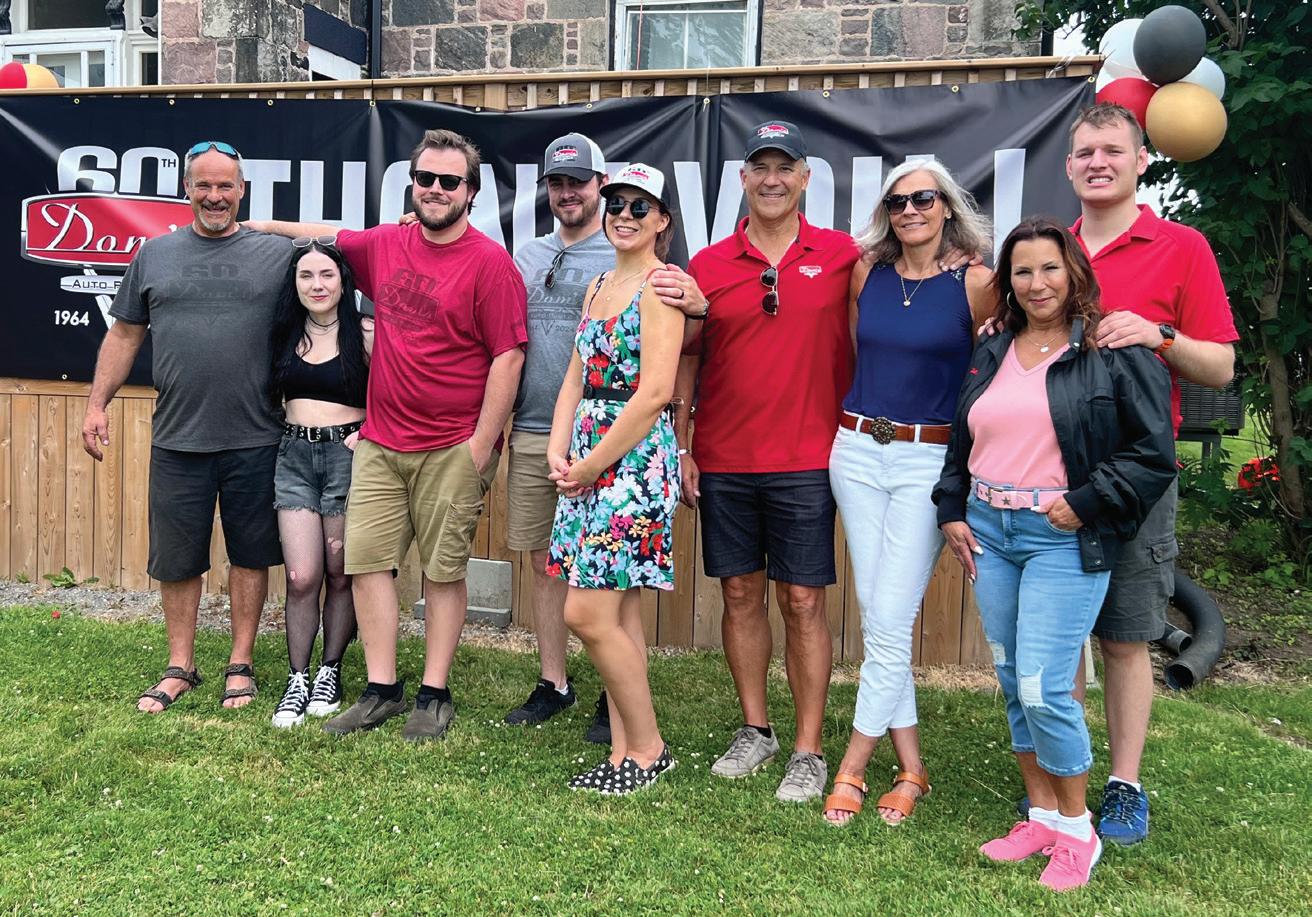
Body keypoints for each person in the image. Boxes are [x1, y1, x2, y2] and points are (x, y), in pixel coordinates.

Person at [247, 129, 528, 742]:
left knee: (442, 572)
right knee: (367, 565)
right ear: (412, 184)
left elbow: (508, 356)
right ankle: (381, 690)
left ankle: (434, 693)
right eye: (425, 178)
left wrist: (480, 446)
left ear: (472, 192)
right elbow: (325, 235)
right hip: (379, 444)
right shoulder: (386, 244)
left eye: (449, 181)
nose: (435, 189)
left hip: (452, 446)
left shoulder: (490, 264)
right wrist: (259, 225)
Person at [934, 217, 1176, 890]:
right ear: (1007, 281)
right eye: (1022, 271)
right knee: (1015, 678)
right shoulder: (992, 348)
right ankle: (1041, 815)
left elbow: (1153, 454)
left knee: (1044, 686)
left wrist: (1089, 500)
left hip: (1061, 535)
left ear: (1074, 273)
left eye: (1049, 268)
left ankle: (1077, 830)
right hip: (991, 532)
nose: (1037, 283)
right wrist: (952, 509)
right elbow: (964, 437)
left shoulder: (1110, 348)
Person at [1064, 102, 1237, 844]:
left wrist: (1160, 335)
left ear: (1141, 161)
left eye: (1112, 150)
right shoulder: (1051, 249)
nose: (1097, 162)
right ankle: (1064, 780)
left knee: (1126, 635)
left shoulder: (1181, 246)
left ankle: (1125, 785)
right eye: (1085, 152)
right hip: (1053, 467)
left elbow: (1220, 367)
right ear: (1068, 167)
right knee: (1059, 637)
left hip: (1137, 472)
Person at [675, 122, 859, 803]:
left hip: (809, 458)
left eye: (786, 168)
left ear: (806, 178)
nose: (773, 179)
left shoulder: (842, 256)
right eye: (761, 168)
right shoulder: (709, 264)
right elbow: (688, 359)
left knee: (803, 600)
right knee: (739, 594)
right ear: (744, 179)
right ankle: (757, 729)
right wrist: (684, 443)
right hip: (725, 455)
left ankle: (809, 750)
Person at [81, 140, 291, 713]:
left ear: (242, 190)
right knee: (177, 559)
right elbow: (125, 334)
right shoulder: (154, 255)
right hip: (178, 437)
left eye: (225, 186)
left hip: (257, 435)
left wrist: (275, 225)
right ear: (187, 190)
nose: (214, 196)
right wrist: (97, 404)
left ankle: (241, 664)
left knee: (251, 554)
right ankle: (181, 665)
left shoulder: (276, 254)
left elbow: (351, 246)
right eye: (204, 185)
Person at [821, 158, 993, 826]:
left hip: (929, 457)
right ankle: (912, 766)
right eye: (897, 202)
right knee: (879, 614)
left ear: (946, 205)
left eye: (923, 198)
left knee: (889, 617)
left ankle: (853, 765)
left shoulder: (977, 282)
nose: (910, 210)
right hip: (857, 450)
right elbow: (853, 349)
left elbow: (991, 376)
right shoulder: (868, 273)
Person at [544, 164, 684, 794]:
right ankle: (625, 751)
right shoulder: (600, 282)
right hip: (586, 456)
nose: (625, 215)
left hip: (633, 462)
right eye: (617, 204)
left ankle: (649, 749)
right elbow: (575, 375)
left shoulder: (661, 288)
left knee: (586, 612)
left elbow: (655, 393)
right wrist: (558, 448)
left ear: (662, 221)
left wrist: (593, 463)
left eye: (639, 207)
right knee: (619, 614)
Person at [502, 133, 617, 739]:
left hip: (602, 434)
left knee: (606, 567)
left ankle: (613, 690)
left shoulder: (622, 251)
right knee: (544, 562)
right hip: (531, 429)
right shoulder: (527, 255)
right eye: (557, 182)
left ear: (601, 184)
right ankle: (555, 683)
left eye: (578, 181)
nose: (568, 192)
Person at [267, 239, 373, 727]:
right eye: (306, 275)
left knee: (340, 573)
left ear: (343, 281)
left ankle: (330, 670)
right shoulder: (283, 332)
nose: (317, 285)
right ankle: (297, 678)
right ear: (294, 283)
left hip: (346, 459)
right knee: (301, 577)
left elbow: (394, 393)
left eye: (326, 274)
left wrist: (369, 432)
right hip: (294, 457)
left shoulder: (365, 333)